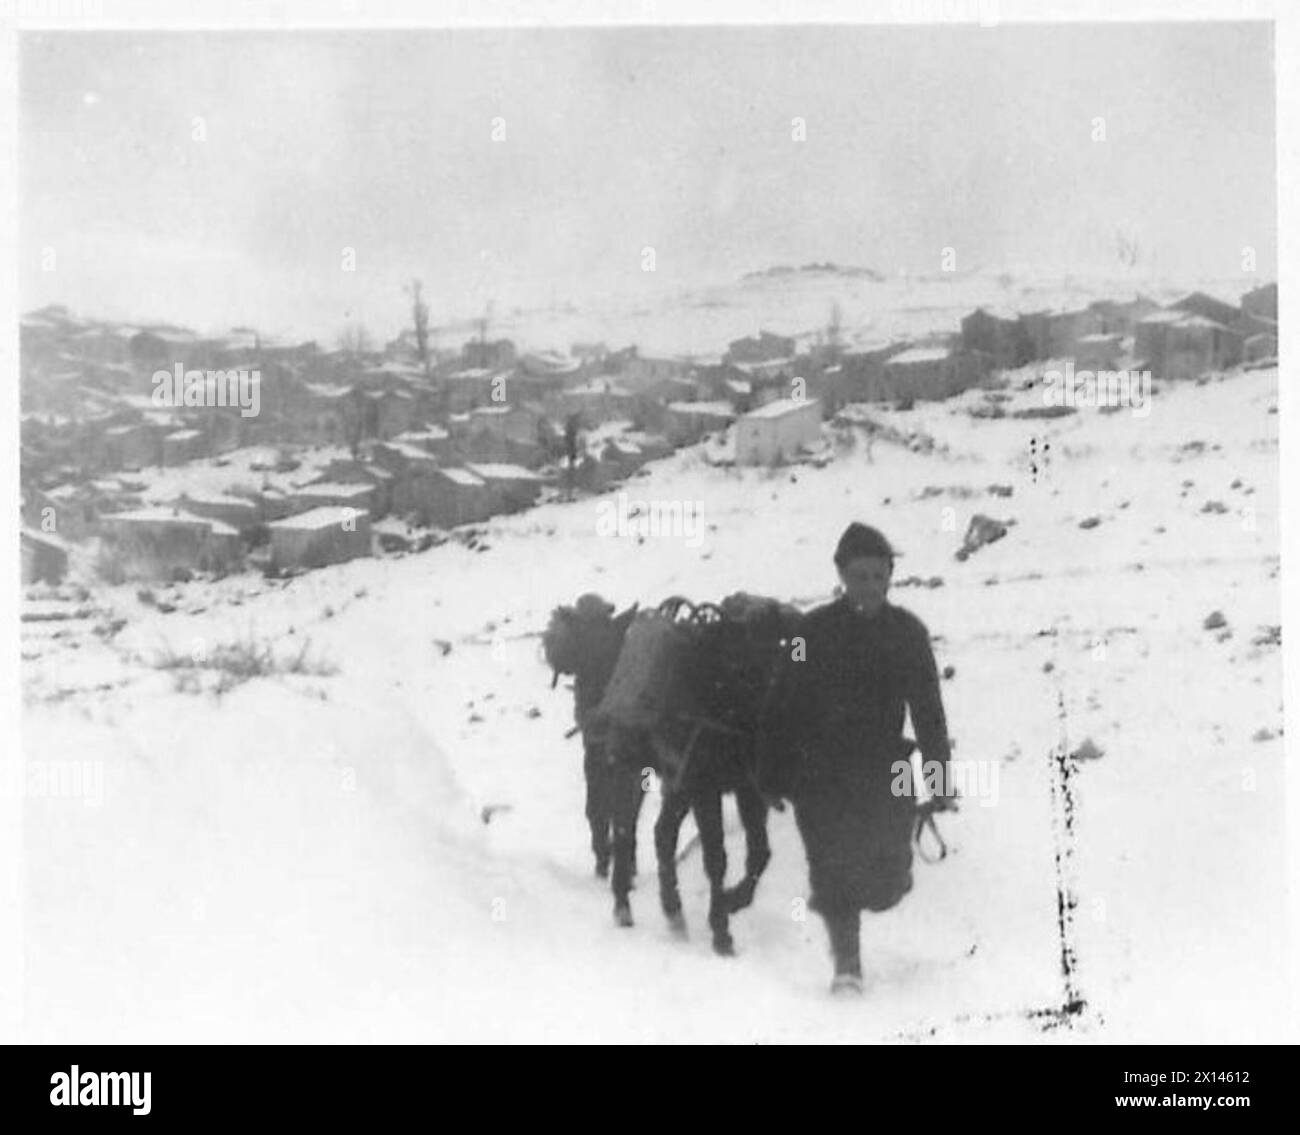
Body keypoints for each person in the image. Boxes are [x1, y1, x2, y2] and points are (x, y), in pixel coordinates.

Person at [759, 522, 956, 994]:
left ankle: (880, 892)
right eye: (859, 575)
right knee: (832, 870)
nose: (869, 586)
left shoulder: (909, 633)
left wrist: (940, 780)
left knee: (889, 879)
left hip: (890, 767)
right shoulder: (809, 633)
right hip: (821, 773)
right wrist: (770, 774)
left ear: (890, 577)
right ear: (841, 576)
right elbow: (780, 702)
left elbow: (929, 713)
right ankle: (847, 966)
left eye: (878, 575)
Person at [567, 592, 631, 877]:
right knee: (624, 798)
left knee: (597, 800)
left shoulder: (580, 648)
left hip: (595, 736)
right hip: (622, 732)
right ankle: (625, 859)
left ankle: (603, 856)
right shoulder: (617, 637)